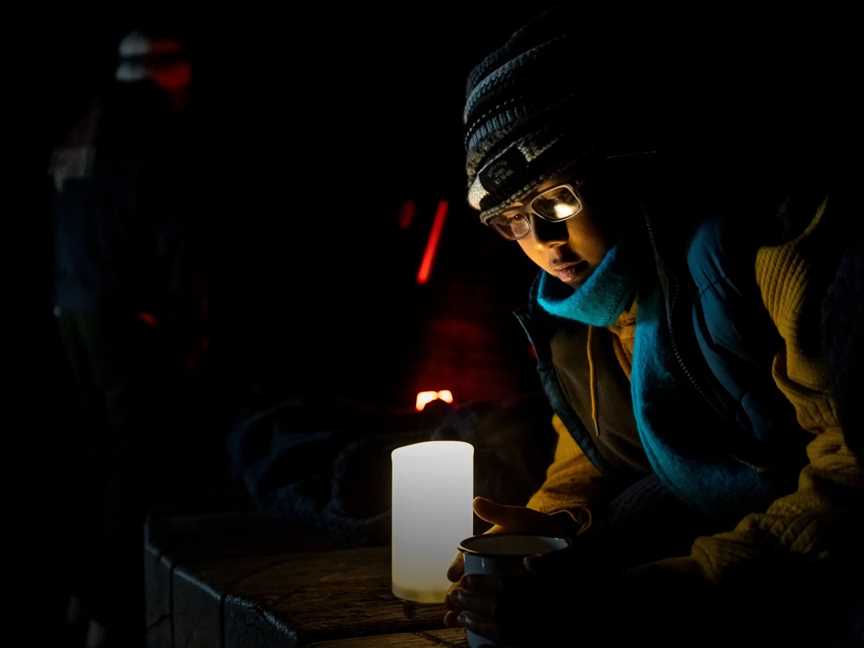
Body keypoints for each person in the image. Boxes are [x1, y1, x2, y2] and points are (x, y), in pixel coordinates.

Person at [444, 8, 862, 644]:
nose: (547, 241)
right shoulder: (575, 317)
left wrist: (649, 598)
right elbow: (587, 462)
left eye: (559, 199)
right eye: (514, 219)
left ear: (624, 159)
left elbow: (853, 475)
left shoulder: (767, 245)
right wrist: (545, 527)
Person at [50, 29, 200, 648]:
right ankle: (115, 613)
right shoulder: (151, 125)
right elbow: (174, 231)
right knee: (133, 464)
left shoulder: (87, 120)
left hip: (72, 308)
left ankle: (81, 600)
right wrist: (181, 321)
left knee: (97, 455)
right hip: (123, 317)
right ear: (166, 72)